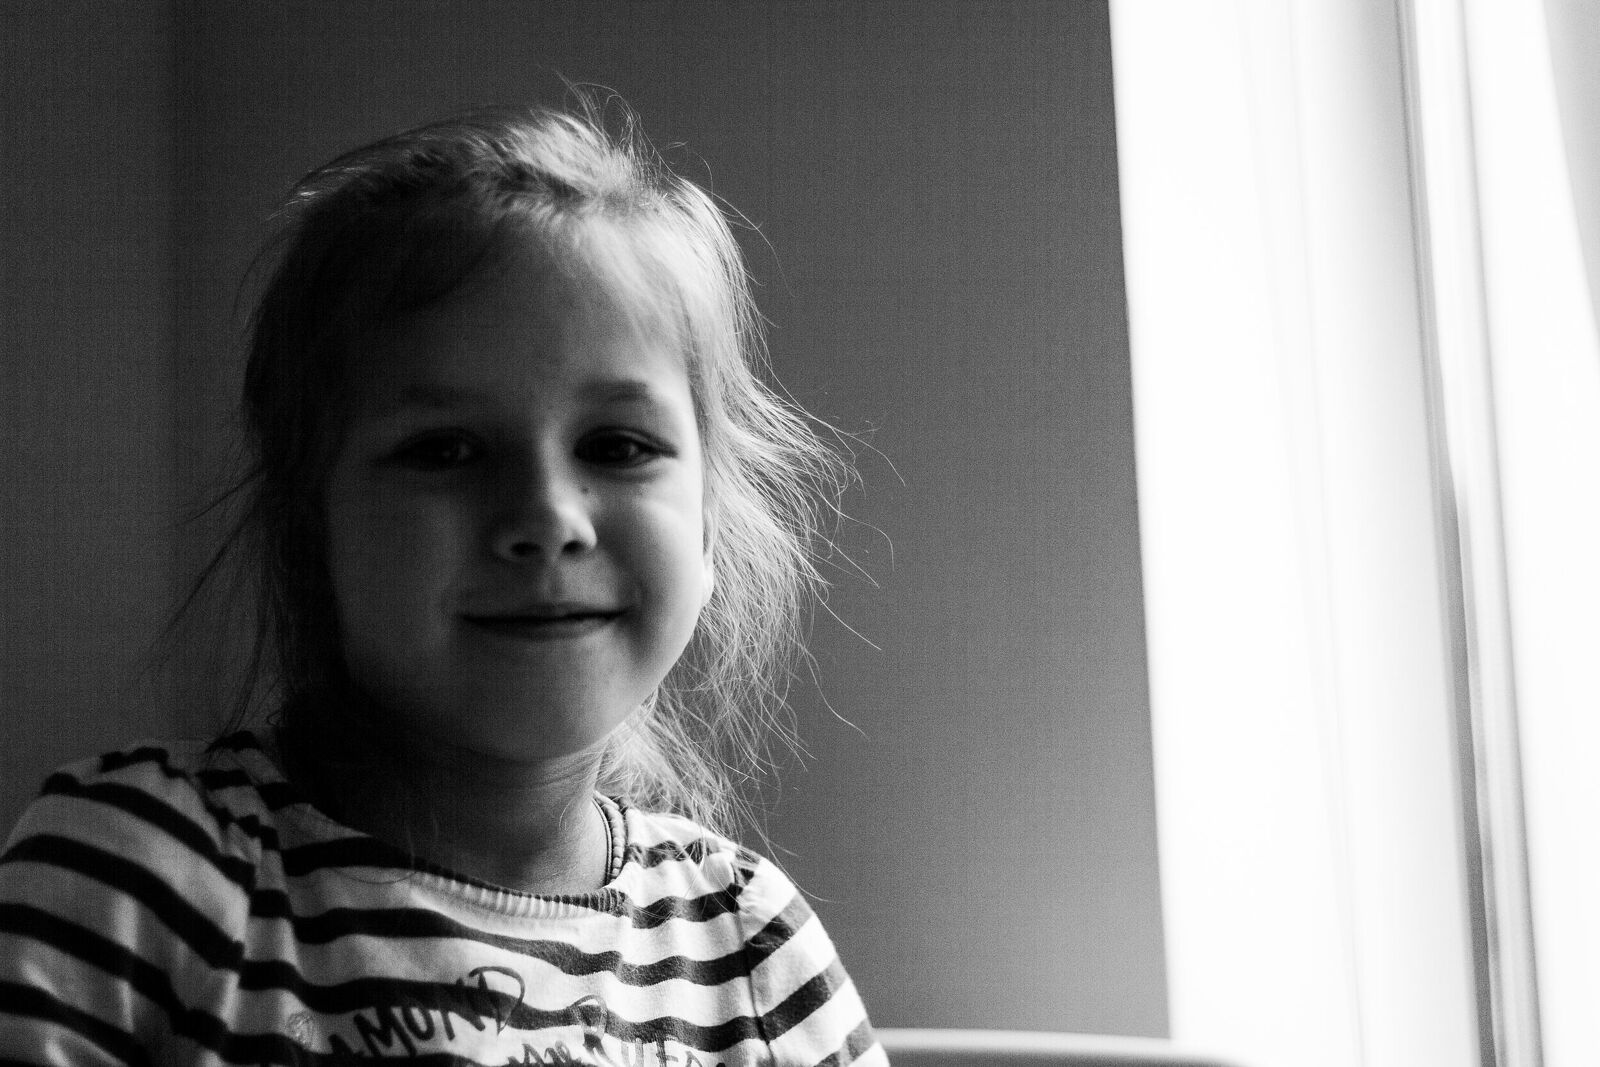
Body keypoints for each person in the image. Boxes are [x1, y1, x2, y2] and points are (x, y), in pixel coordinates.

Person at [0, 101, 880, 1067]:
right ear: (310, 532)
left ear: (707, 529)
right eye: (446, 449)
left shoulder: (756, 955)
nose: (549, 515)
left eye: (618, 446)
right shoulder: (140, 881)